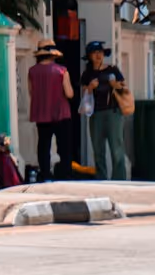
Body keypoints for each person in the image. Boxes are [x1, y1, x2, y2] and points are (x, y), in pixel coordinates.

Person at [80, 41, 130, 180]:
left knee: (117, 148)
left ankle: (119, 179)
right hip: (96, 114)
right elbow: (84, 91)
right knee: (98, 149)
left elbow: (123, 87)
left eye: (100, 52)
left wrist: (115, 85)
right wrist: (90, 87)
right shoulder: (87, 73)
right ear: (89, 56)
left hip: (114, 113)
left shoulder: (112, 70)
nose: (98, 55)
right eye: (95, 52)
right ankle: (101, 179)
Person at [26, 42, 75, 180]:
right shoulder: (61, 71)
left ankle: (45, 174)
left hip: (41, 113)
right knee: (64, 146)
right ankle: (66, 174)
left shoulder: (32, 71)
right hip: (61, 113)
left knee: (43, 145)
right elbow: (69, 93)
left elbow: (31, 92)